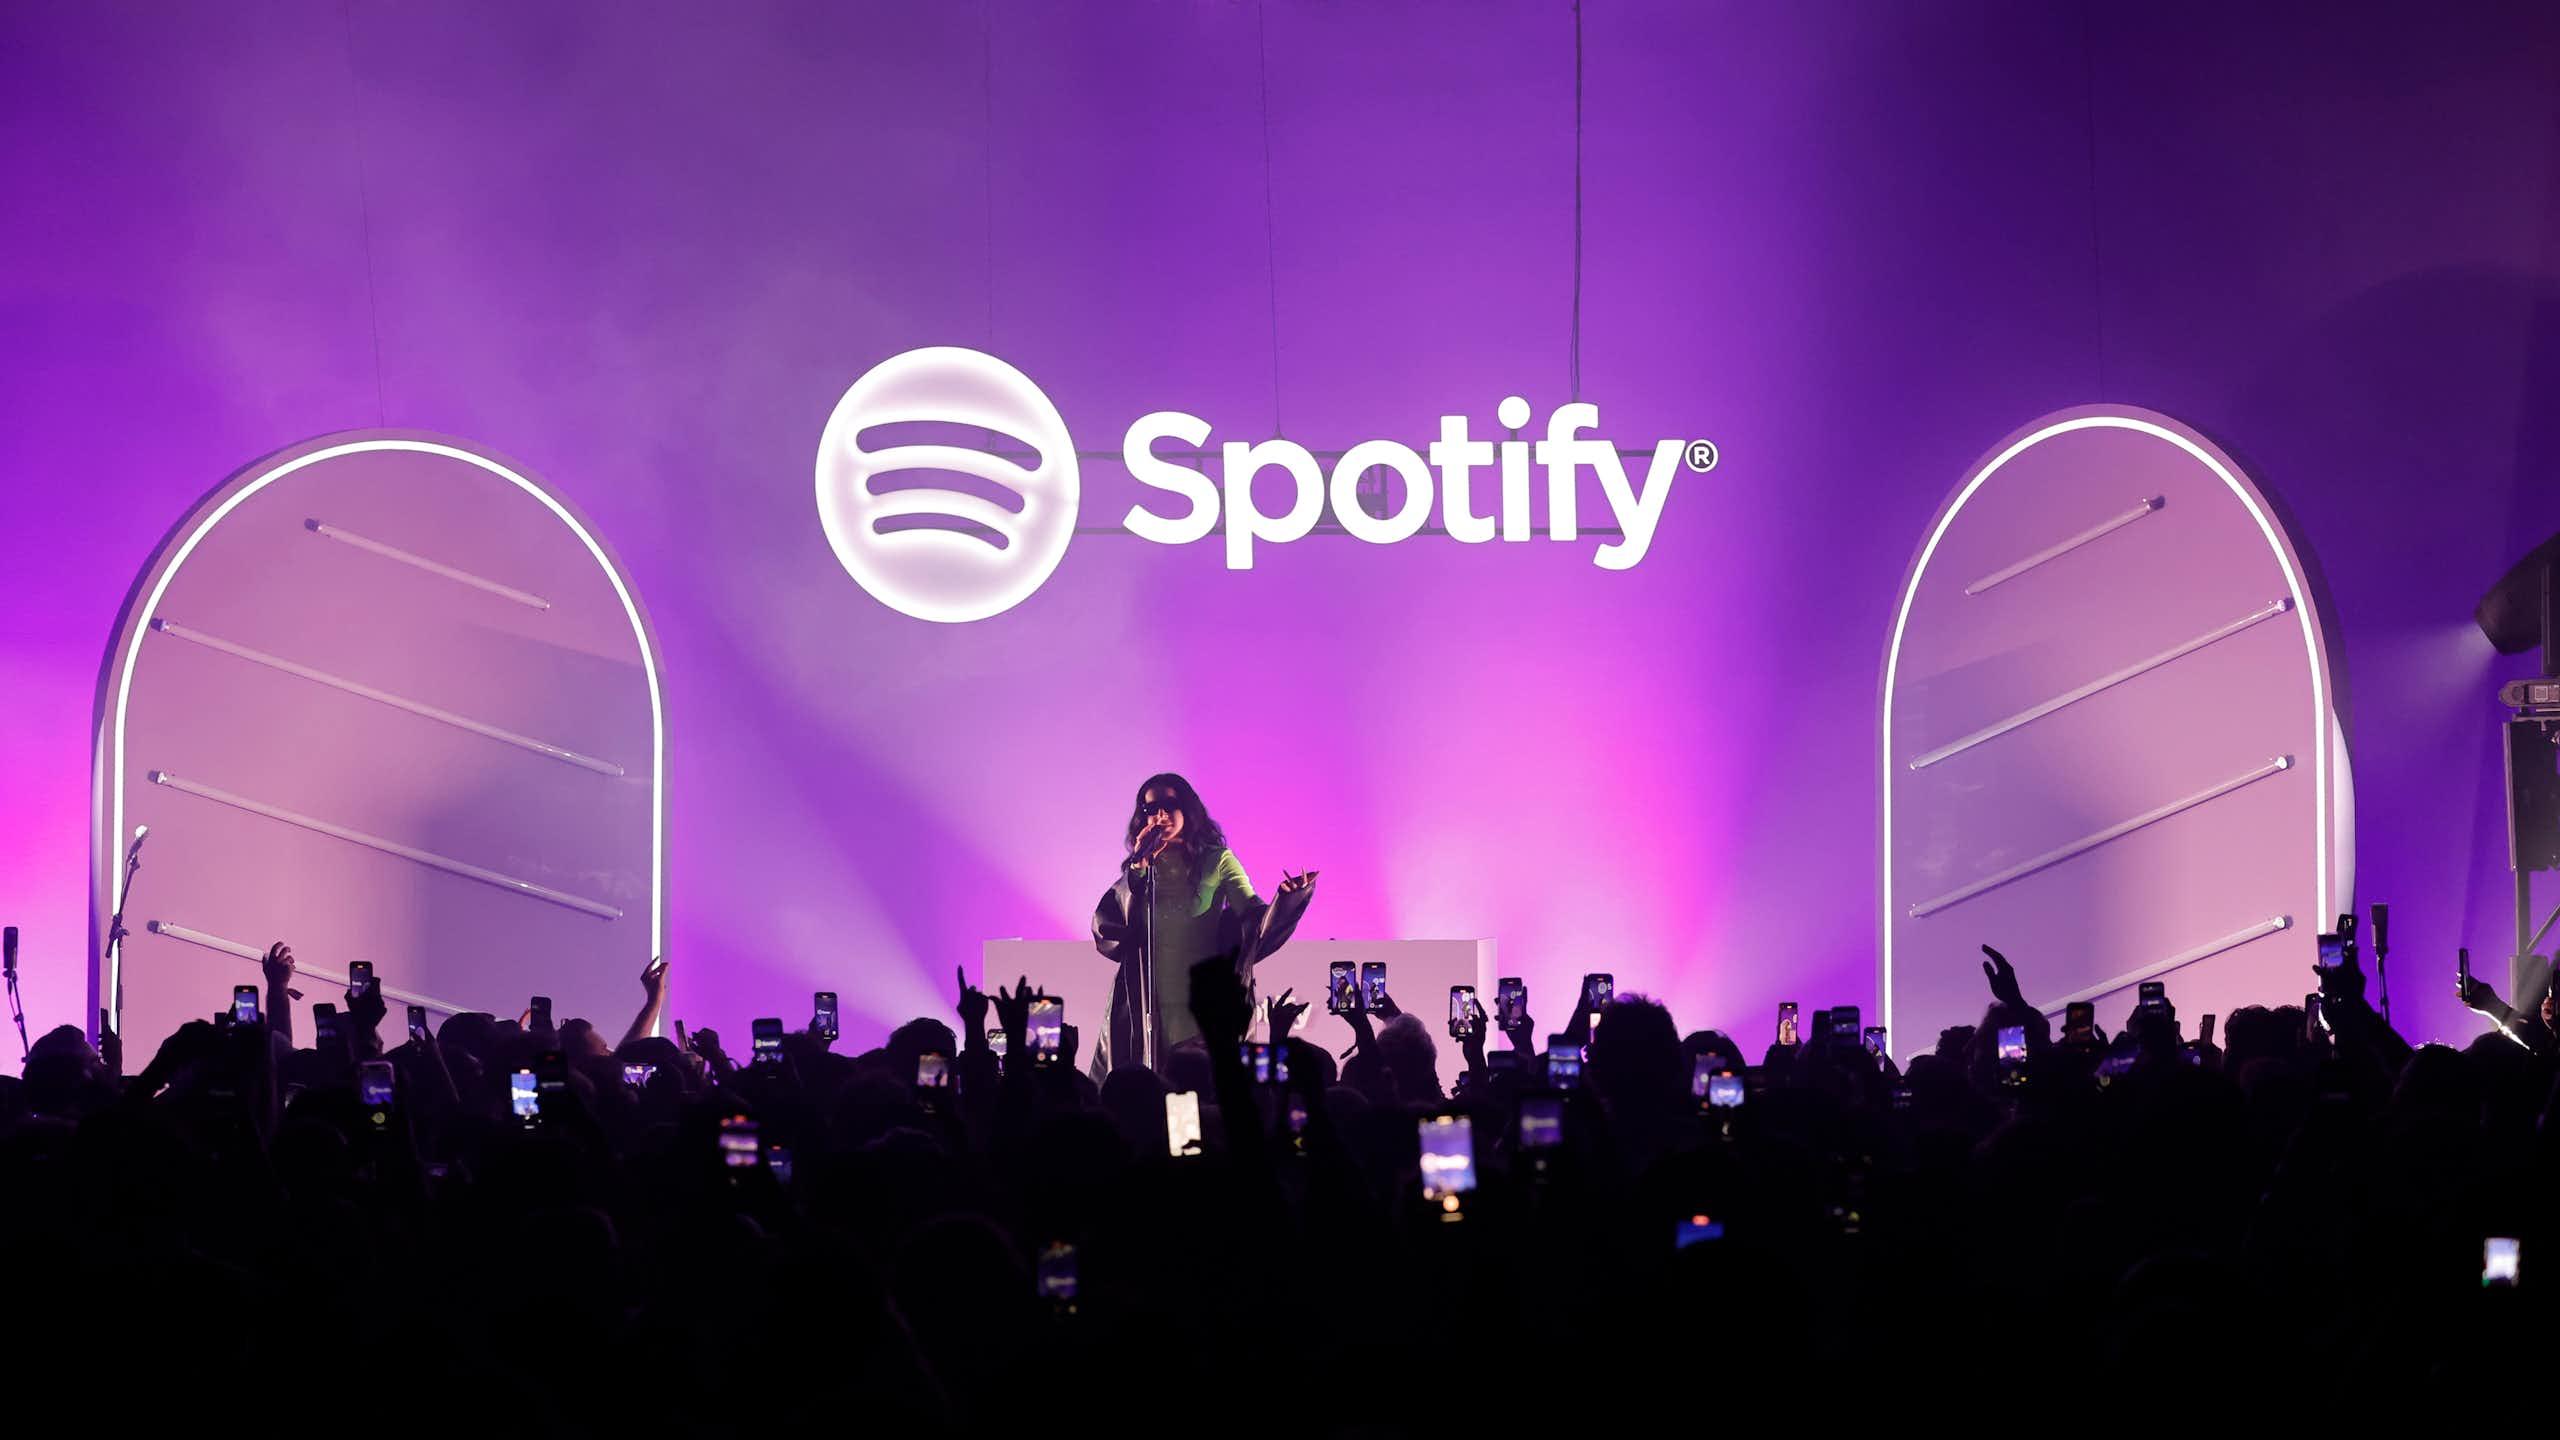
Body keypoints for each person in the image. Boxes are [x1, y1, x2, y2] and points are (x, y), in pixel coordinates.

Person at [1089, 772, 1315, 1077]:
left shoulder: (1217, 860)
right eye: (1150, 809)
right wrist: (1139, 864)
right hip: (1146, 998)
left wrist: (1285, 901)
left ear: (1188, 807)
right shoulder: (1141, 867)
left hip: (1200, 1002)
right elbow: (1112, 924)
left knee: (1197, 1090)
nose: (1160, 815)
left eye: (1169, 805)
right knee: (1149, 1094)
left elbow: (1252, 917)